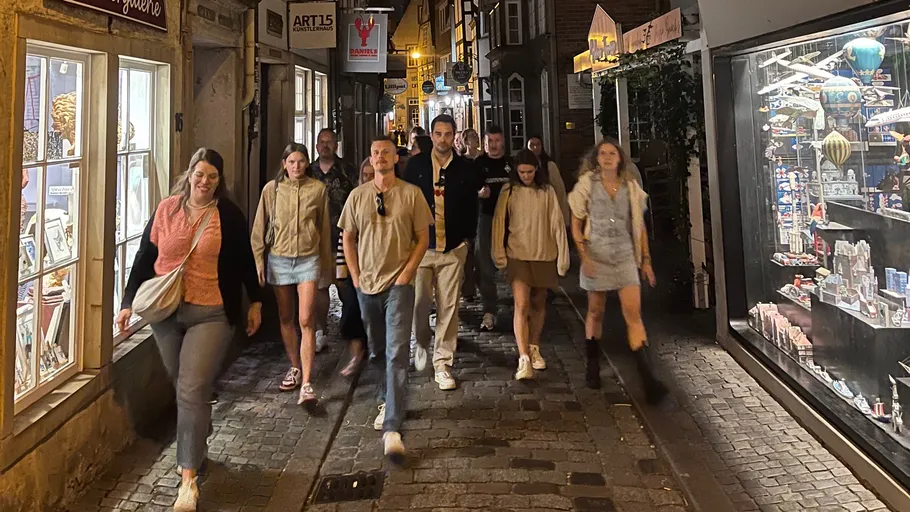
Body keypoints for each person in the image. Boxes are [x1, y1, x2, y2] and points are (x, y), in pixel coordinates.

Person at [117, 148, 263, 511]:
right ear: (190, 174)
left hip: (211, 312)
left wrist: (256, 301)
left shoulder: (227, 214)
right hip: (166, 313)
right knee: (184, 386)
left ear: (219, 181)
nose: (205, 182)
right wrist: (125, 302)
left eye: (212, 177)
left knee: (192, 388)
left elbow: (244, 259)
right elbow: (143, 258)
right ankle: (198, 444)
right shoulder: (166, 209)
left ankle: (187, 480)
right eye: (200, 174)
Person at [340, 136, 432, 463]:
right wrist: (355, 275)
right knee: (377, 350)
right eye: (376, 153)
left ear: (395, 158)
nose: (380, 158)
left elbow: (423, 236)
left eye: (386, 153)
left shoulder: (411, 195)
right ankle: (385, 396)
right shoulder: (357, 197)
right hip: (367, 285)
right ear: (371, 158)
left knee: (396, 351)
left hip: (398, 285)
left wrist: (407, 272)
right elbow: (347, 237)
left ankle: (392, 425)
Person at [568, 138, 667, 404]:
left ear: (620, 158)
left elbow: (639, 226)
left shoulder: (630, 188)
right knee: (595, 310)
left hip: (624, 255)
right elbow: (576, 224)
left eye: (613, 153)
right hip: (596, 254)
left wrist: (645, 260)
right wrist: (584, 255)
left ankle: (649, 380)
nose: (608, 157)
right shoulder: (587, 185)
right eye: (603, 153)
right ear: (597, 158)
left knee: (633, 314)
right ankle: (592, 366)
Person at [251, 143, 332, 403]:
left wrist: (326, 267)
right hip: (279, 259)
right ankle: (295, 366)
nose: (296, 166)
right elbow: (259, 227)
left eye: (300, 161)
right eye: (291, 162)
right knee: (286, 316)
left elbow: (324, 229)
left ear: (307, 163)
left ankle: (307, 383)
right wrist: (259, 260)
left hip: (308, 259)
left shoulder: (318, 190)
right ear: (284, 164)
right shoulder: (271, 190)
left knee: (306, 319)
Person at [404, 114, 480, 390]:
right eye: (438, 134)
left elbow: (473, 205)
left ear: (454, 136)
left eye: (448, 134)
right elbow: (407, 203)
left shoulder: (465, 169)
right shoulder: (415, 166)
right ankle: (422, 342)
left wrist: (468, 240)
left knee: (449, 306)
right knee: (419, 304)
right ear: (432, 136)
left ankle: (443, 362)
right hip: (422, 248)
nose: (443, 139)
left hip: (453, 247)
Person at [491, 149, 569, 381]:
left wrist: (563, 257)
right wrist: (499, 254)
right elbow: (499, 223)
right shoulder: (509, 191)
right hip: (518, 254)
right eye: (522, 172)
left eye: (530, 171)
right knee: (521, 303)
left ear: (536, 170)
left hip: (543, 253)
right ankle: (523, 356)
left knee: (538, 302)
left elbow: (556, 223)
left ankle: (534, 346)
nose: (526, 176)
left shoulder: (546, 192)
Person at [312, 128, 359, 352]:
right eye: (321, 142)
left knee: (345, 286)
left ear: (336, 146)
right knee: (320, 288)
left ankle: (349, 326)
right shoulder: (308, 172)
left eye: (329, 142)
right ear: (316, 145)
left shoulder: (347, 171)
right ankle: (320, 331)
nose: (325, 146)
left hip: (342, 239)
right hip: (316, 241)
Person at [473, 126, 513, 331]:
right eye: (490, 141)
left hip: (510, 220)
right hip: (486, 218)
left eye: (497, 141)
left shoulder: (511, 164)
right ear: (484, 143)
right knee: (484, 264)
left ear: (503, 142)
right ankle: (489, 309)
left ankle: (522, 306)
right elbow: (469, 191)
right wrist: (479, 194)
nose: (494, 145)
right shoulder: (478, 164)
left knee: (515, 263)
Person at [528, 136, 570, 226]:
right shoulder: (522, 167)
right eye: (532, 145)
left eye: (538, 144)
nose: (535, 148)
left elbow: (560, 191)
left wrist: (563, 217)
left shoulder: (549, 166)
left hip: (548, 213)